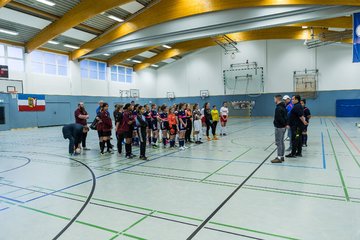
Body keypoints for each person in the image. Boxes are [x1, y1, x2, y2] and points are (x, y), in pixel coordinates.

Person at [271, 95, 289, 163]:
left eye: (274, 99)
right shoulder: (284, 107)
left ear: (277, 99)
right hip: (283, 127)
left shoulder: (278, 108)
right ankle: (281, 156)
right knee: (281, 142)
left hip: (279, 127)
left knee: (278, 142)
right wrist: (286, 124)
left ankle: (279, 157)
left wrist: (283, 124)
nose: (274, 100)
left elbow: (279, 118)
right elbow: (286, 117)